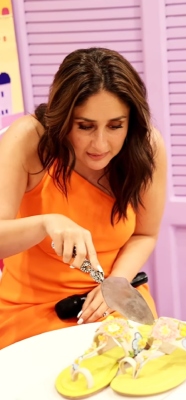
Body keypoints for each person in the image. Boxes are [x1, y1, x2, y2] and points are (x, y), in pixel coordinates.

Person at [0, 48, 167, 350]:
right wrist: (46, 223)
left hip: (113, 297)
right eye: (85, 126)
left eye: (115, 126)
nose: (100, 144)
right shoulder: (29, 139)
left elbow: (145, 234)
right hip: (30, 311)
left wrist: (116, 285)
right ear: (63, 119)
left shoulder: (147, 147)